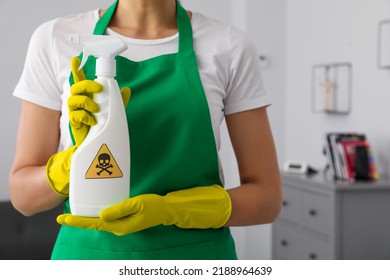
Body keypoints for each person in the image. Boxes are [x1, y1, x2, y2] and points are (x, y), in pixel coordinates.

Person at [9, 0, 282, 260]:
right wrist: (77, 163)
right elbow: (24, 198)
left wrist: (172, 209)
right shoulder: (56, 38)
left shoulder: (228, 46)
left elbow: (266, 199)